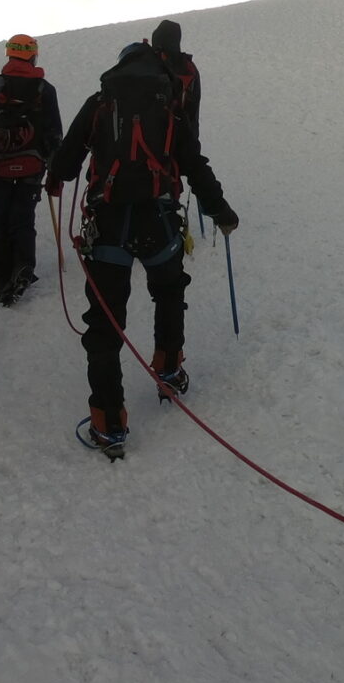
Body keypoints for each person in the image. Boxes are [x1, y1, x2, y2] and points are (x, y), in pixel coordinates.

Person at [46, 40, 237, 454]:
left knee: (105, 323)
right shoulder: (168, 106)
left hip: (108, 223)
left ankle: (108, 423)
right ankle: (169, 372)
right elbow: (194, 165)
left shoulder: (101, 101)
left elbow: (67, 159)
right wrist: (220, 210)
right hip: (158, 220)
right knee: (169, 292)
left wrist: (55, 178)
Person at [0, 34, 63, 304]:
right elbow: (54, 132)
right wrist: (55, 173)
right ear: (33, 54)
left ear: (9, 55)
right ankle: (23, 265)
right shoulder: (44, 89)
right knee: (23, 217)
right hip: (32, 166)